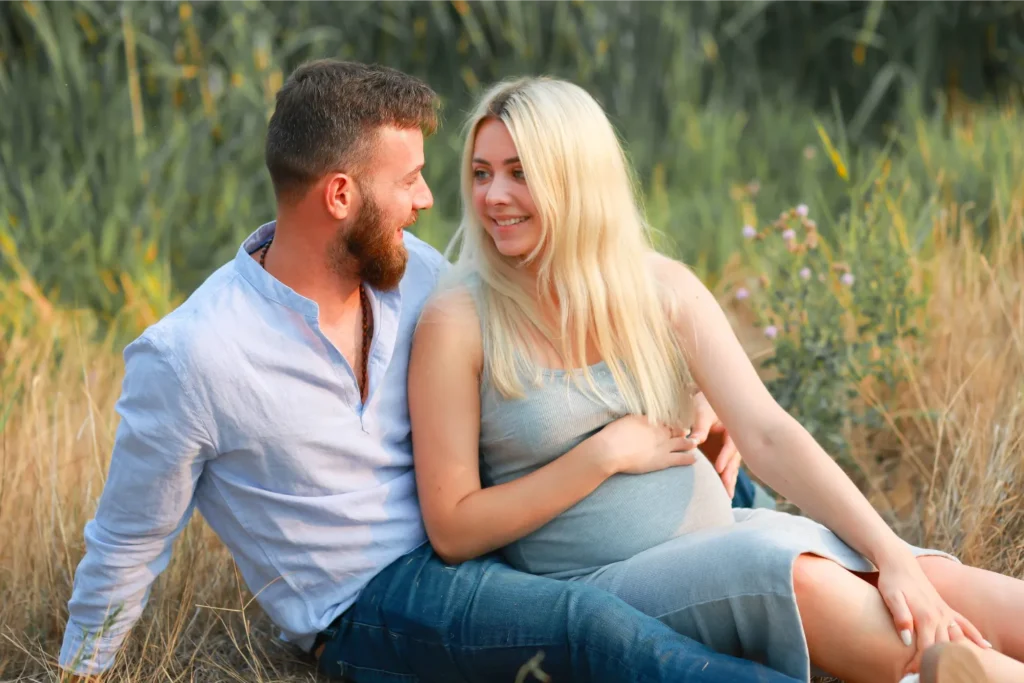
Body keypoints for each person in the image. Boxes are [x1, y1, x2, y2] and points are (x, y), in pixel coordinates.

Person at [57, 59, 800, 683]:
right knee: (594, 629)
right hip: (374, 601)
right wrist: (79, 670)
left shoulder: (415, 277)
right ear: (341, 195)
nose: (430, 198)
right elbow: (126, 541)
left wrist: (700, 394)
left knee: (725, 481)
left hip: (490, 527)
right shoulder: (194, 355)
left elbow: (556, 332)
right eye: (409, 179)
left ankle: (868, 605)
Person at [406, 75, 1024, 683]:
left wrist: (894, 557)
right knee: (786, 572)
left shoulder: (661, 288)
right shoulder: (459, 322)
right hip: (605, 581)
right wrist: (603, 455)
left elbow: (767, 433)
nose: (493, 196)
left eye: (520, 172)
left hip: (724, 533)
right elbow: (454, 528)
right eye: (482, 173)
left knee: (931, 581)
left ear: (578, 178)